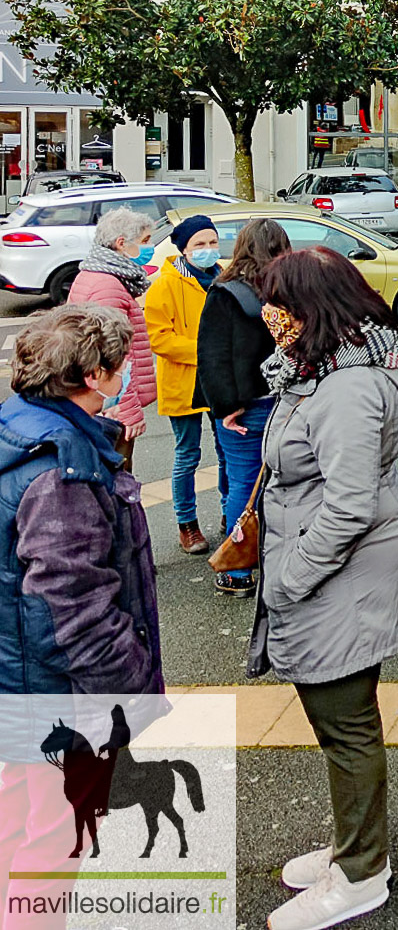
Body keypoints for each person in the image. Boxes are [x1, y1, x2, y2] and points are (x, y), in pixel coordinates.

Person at [249, 248, 398, 930]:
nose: (271, 314)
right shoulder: (325, 368)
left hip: (339, 577)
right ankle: (356, 848)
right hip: (336, 574)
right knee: (344, 724)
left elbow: (348, 504)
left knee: (346, 726)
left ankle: (359, 873)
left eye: (280, 302)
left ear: (314, 308)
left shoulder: (346, 387)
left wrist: (289, 580)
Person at [0, 306, 165, 927]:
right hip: (58, 694)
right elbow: (76, 607)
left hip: (15, 676)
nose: (128, 375)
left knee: (19, 822)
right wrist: (128, 690)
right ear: (96, 375)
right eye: (123, 365)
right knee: (57, 837)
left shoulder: (16, 430)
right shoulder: (61, 469)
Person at [196, 218, 291, 598]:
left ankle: (237, 572)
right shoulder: (292, 287)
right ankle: (281, 559)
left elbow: (213, 355)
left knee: (243, 484)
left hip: (244, 404)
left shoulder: (225, 292)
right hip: (289, 400)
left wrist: (225, 406)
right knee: (287, 482)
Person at [143, 214, 227, 556]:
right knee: (187, 455)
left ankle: (230, 512)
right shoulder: (166, 283)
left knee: (228, 453)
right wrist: (204, 351)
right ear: (184, 249)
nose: (208, 250)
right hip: (186, 381)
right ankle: (187, 524)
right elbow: (159, 338)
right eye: (199, 244)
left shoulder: (223, 277)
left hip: (221, 380)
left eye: (212, 242)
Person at [66, 208, 158, 469]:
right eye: (145, 240)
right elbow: (117, 356)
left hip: (100, 399)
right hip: (111, 406)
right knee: (118, 478)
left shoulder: (96, 274)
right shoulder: (108, 285)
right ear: (121, 243)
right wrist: (128, 411)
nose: (150, 246)